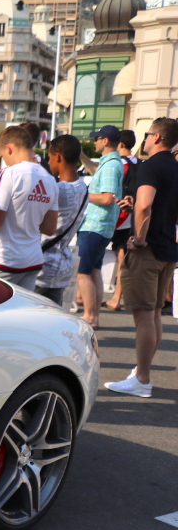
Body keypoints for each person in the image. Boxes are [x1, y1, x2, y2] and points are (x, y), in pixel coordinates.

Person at [106, 117, 178, 397]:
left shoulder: (150, 166)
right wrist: (138, 205)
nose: (144, 139)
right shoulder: (174, 167)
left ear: (157, 137)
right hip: (167, 249)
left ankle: (142, 379)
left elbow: (146, 206)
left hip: (148, 250)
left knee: (144, 316)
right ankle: (141, 372)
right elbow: (159, 205)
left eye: (147, 134)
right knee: (155, 313)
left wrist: (138, 238)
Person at [0, 125, 58, 291]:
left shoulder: (10, 173)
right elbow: (50, 228)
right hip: (33, 262)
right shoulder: (50, 179)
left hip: (6, 261)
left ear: (8, 149)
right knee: (21, 312)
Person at [76, 126, 124, 329]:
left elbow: (107, 197)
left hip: (95, 225)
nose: (94, 142)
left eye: (97, 139)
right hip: (100, 226)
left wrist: (83, 194)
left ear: (105, 141)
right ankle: (93, 316)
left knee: (83, 272)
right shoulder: (111, 163)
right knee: (94, 271)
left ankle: (88, 316)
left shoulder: (111, 165)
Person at [34, 134, 89, 307]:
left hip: (44, 265)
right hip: (63, 264)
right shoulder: (83, 188)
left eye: (50, 157)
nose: (49, 162)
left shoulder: (57, 190)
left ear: (58, 156)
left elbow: (37, 223)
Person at [105, 130, 140, 311]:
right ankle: (118, 297)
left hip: (120, 214)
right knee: (124, 256)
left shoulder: (119, 164)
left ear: (121, 145)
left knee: (120, 257)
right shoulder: (141, 163)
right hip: (134, 215)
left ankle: (116, 298)